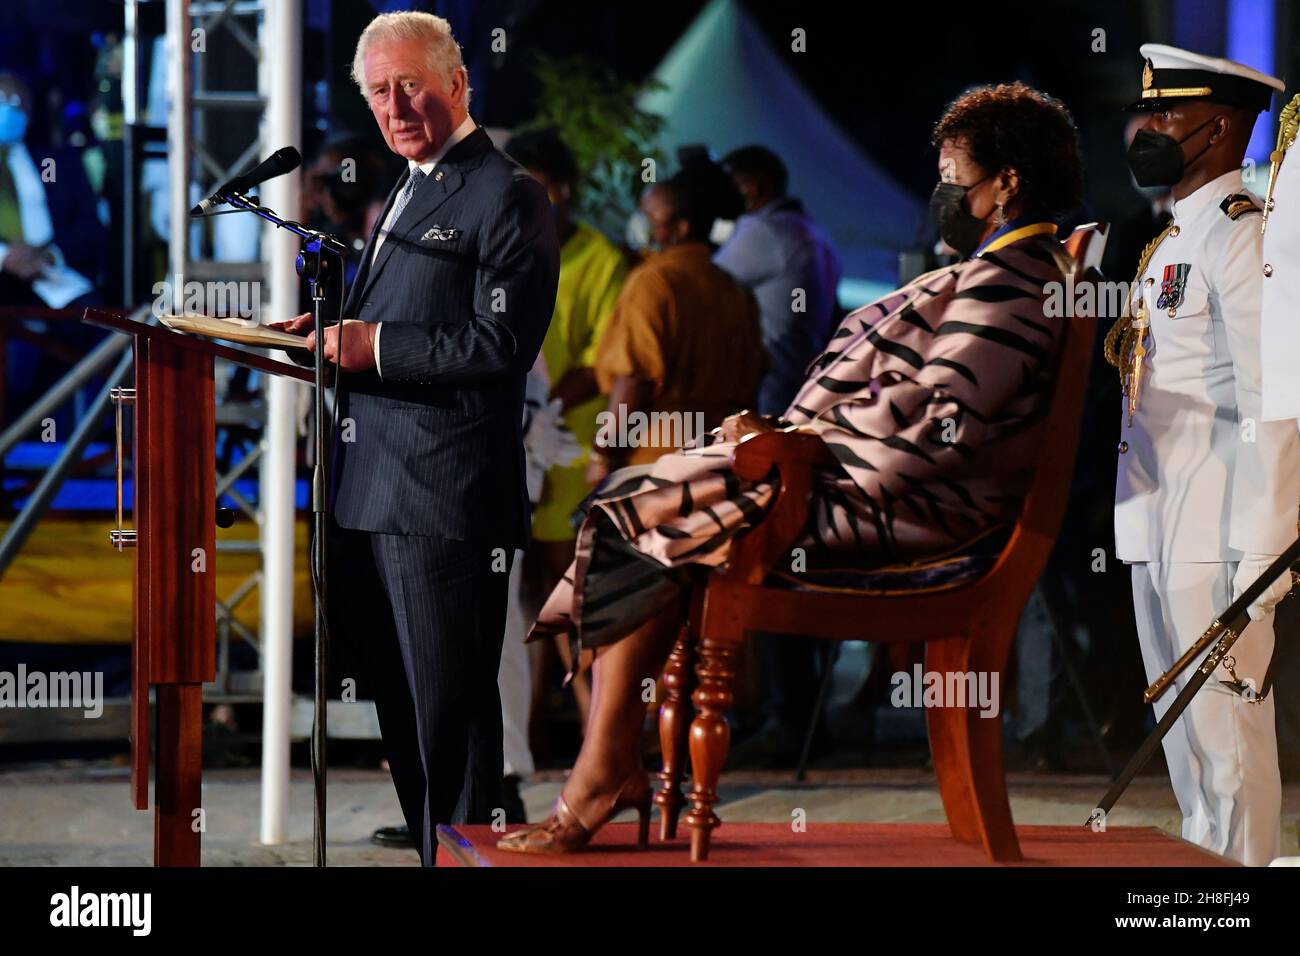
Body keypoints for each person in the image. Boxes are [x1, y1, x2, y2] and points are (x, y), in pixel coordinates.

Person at [496, 81, 1084, 854]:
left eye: (953, 174)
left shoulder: (1014, 280)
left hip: (904, 508)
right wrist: (783, 435)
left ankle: (604, 770)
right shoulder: (1013, 271)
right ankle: (612, 765)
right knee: (640, 510)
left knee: (644, 510)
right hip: (866, 481)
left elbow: (933, 429)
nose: (940, 191)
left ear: (1005, 183)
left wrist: (797, 441)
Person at [271, 11, 559, 866]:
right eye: (377, 92)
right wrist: (322, 344)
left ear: (458, 83)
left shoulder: (507, 194)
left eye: (410, 86)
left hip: (442, 500)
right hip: (368, 487)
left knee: (452, 724)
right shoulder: (403, 186)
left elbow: (499, 345)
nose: (394, 107)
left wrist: (373, 346)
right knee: (406, 720)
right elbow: (397, 323)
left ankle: (467, 858)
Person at [1106, 44, 1300, 866]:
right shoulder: (1174, 235)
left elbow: (1277, 395)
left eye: (1164, 116)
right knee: (1186, 744)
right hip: (1160, 517)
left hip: (1222, 528)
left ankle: (1239, 890)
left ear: (1217, 129)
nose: (1144, 129)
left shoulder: (1237, 235)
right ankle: (1203, 881)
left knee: (1226, 735)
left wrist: (1268, 544)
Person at [714, 145, 843, 763]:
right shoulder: (813, 231)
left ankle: (783, 717)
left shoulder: (762, 232)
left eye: (733, 186)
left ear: (756, 185)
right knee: (790, 566)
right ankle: (796, 715)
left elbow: (702, 277)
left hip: (767, 424)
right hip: (798, 416)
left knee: (763, 566)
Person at [504, 127, 629, 745]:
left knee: (564, 598)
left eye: (539, 186)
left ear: (566, 189)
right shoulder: (508, 247)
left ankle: (598, 745)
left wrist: (536, 403)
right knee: (516, 606)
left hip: (568, 449)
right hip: (511, 445)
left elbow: (601, 358)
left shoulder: (600, 259)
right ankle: (520, 743)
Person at [586, 156, 763, 484]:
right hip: (719, 459)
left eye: (651, 216)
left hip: (655, 461)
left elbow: (634, 380)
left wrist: (603, 454)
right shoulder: (736, 290)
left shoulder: (653, 282)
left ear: (681, 227)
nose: (643, 224)